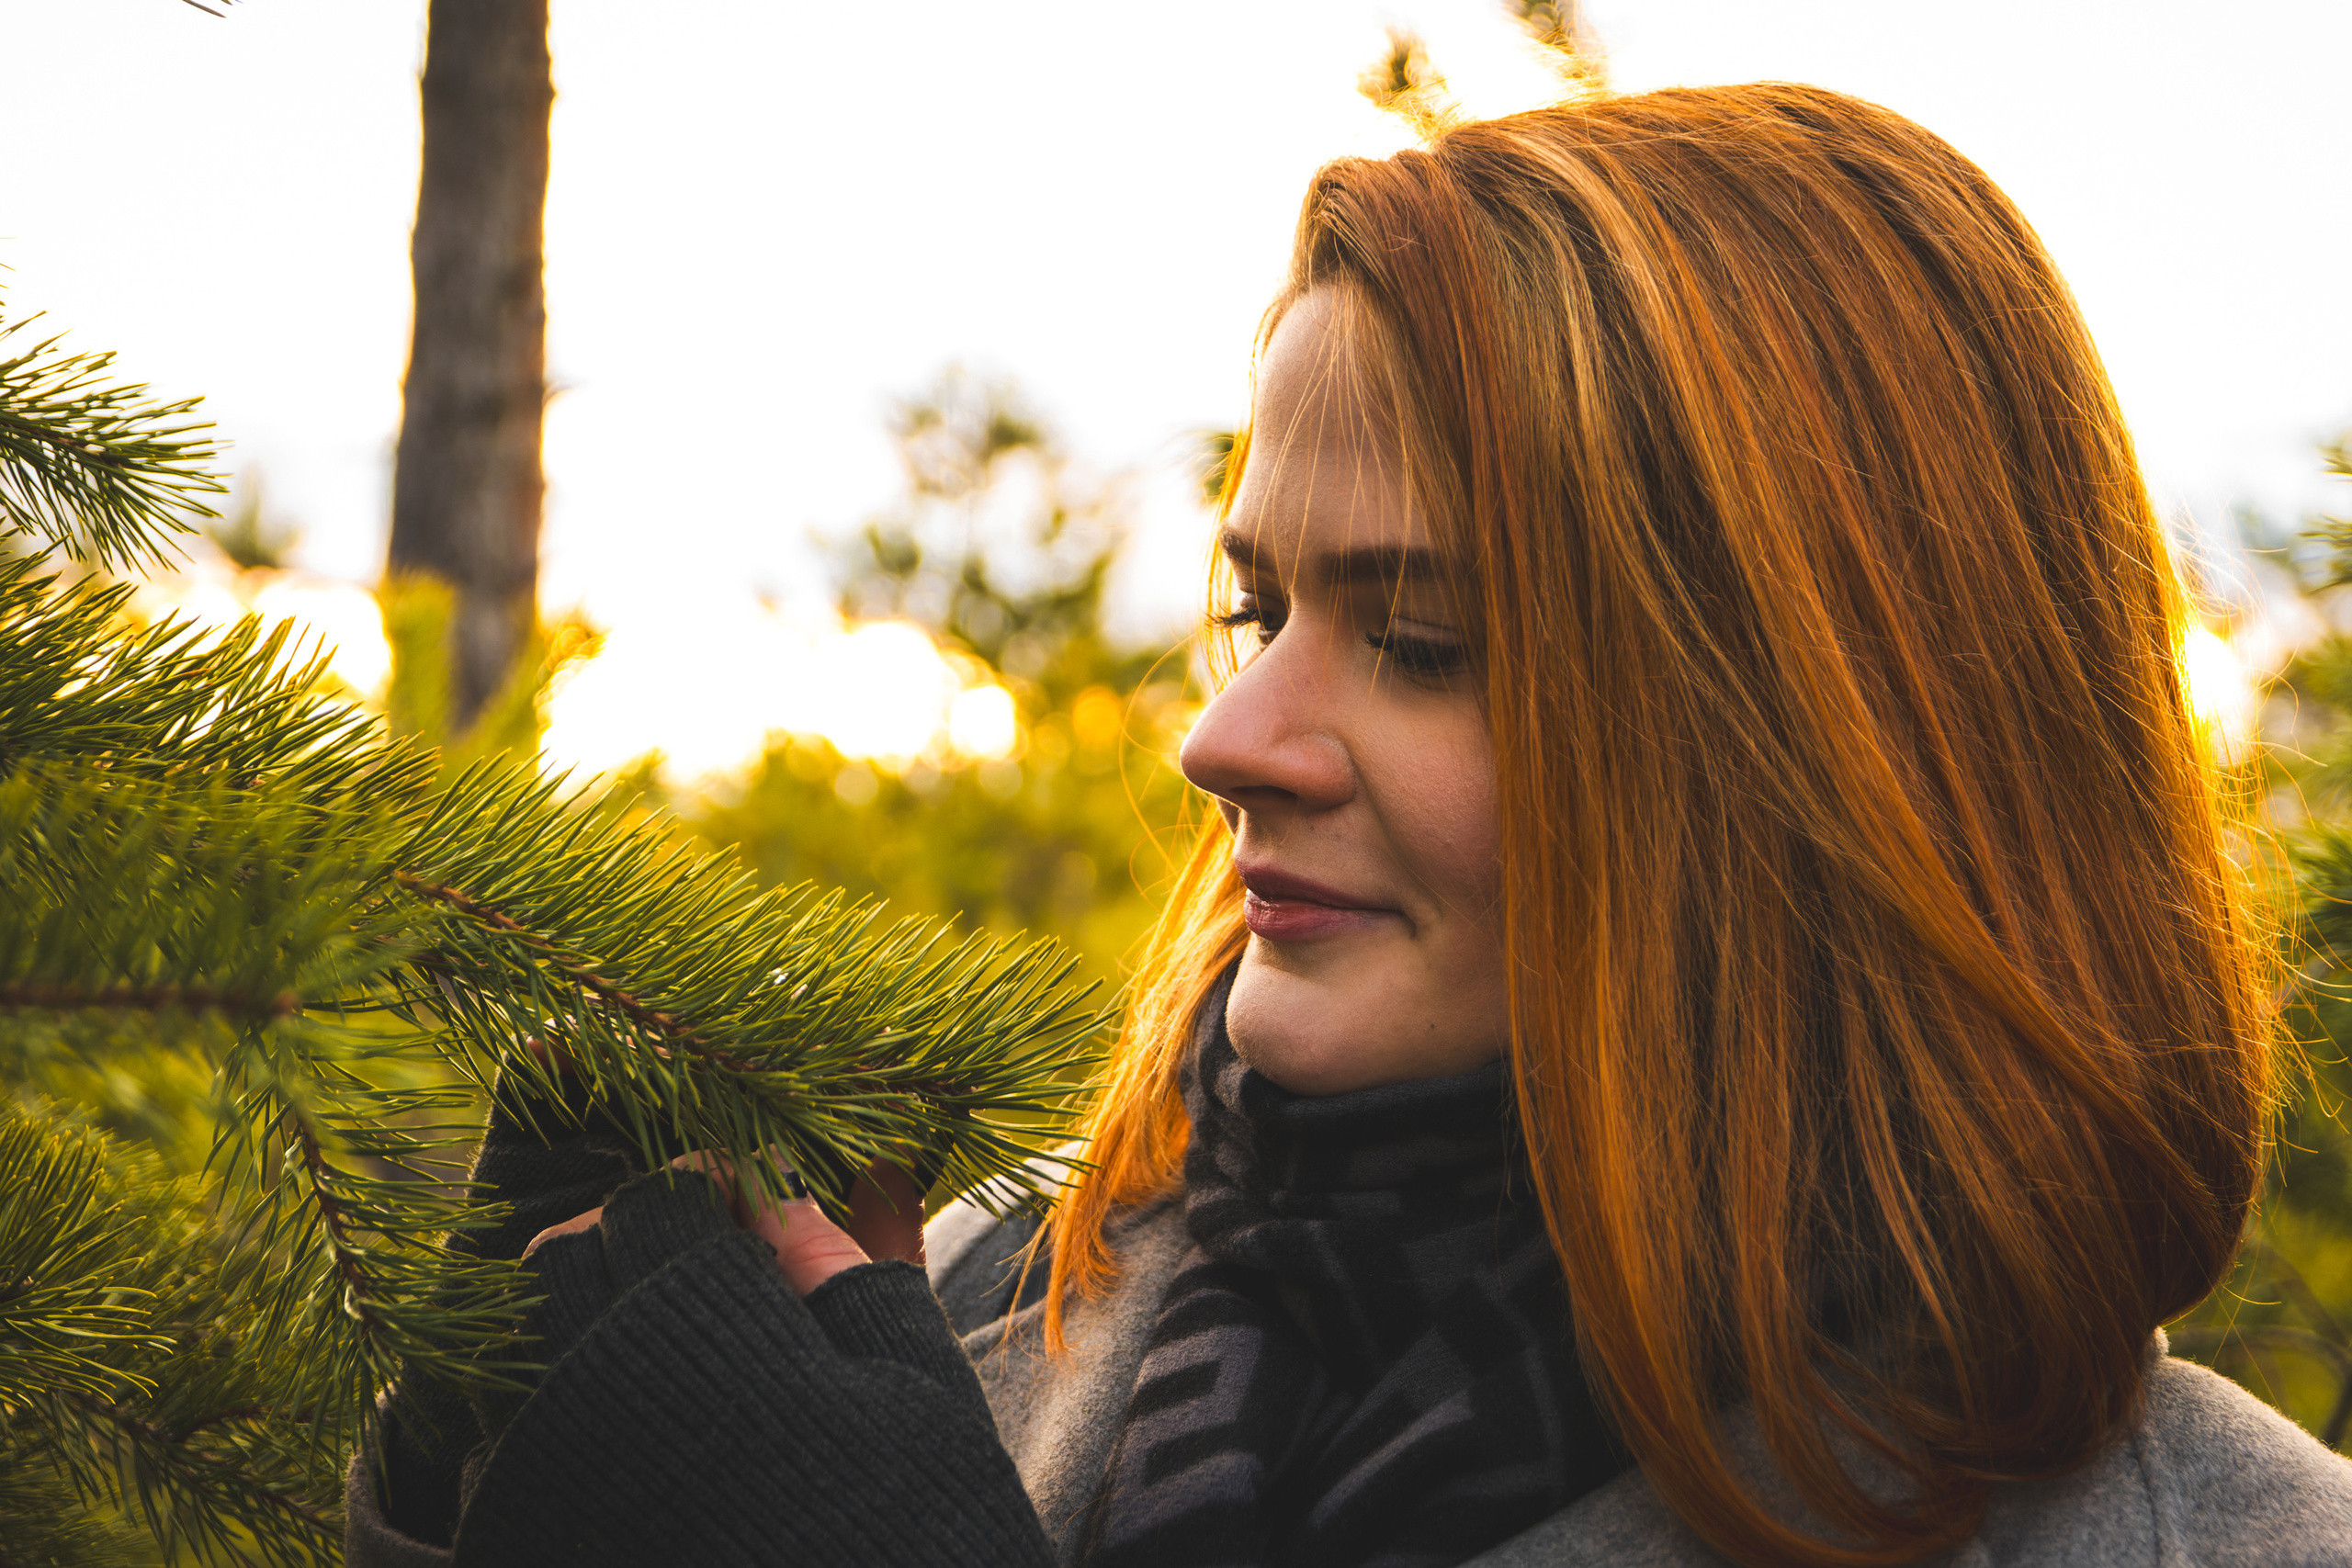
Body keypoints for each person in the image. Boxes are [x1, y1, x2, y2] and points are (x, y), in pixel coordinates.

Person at [346, 82, 2352, 1567]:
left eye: (1417, 638)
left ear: (1824, 749)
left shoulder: (2220, 1542)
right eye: (1256, 607)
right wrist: (455, 1475)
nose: (1227, 735)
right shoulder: (958, 1312)